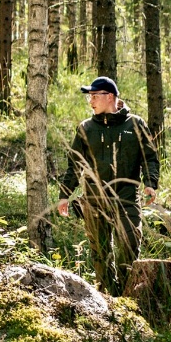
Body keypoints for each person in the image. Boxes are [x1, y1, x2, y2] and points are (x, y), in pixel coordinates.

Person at [56, 76, 160, 296]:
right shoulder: (86, 128)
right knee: (100, 253)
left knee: (130, 245)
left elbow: (149, 157)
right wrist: (65, 195)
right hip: (94, 199)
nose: (91, 101)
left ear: (110, 96)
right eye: (89, 97)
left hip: (127, 198)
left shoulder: (135, 124)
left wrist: (150, 183)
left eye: (95, 96)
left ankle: (126, 295)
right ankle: (107, 297)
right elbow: (74, 165)